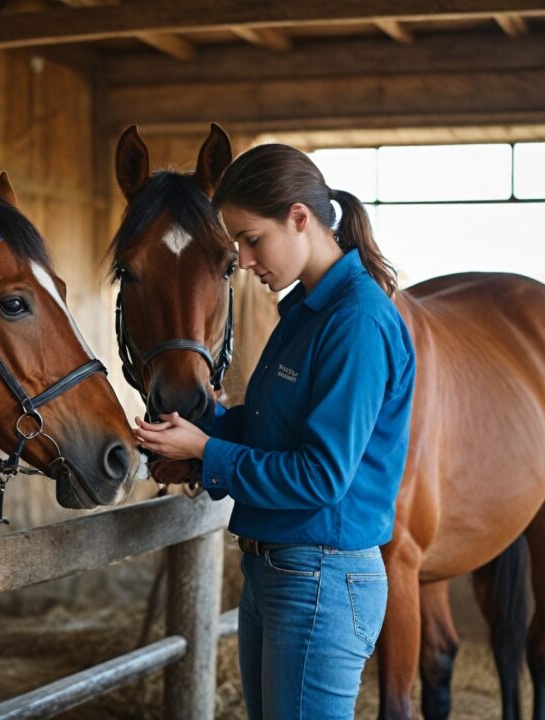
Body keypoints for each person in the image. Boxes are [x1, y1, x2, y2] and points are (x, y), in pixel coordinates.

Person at [132, 143, 416, 719]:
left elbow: (321, 476)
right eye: (234, 243)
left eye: (250, 239)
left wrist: (207, 450)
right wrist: (200, 431)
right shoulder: (306, 312)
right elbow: (270, 428)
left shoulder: (355, 322)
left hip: (320, 576)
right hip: (278, 570)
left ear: (300, 218)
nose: (239, 258)